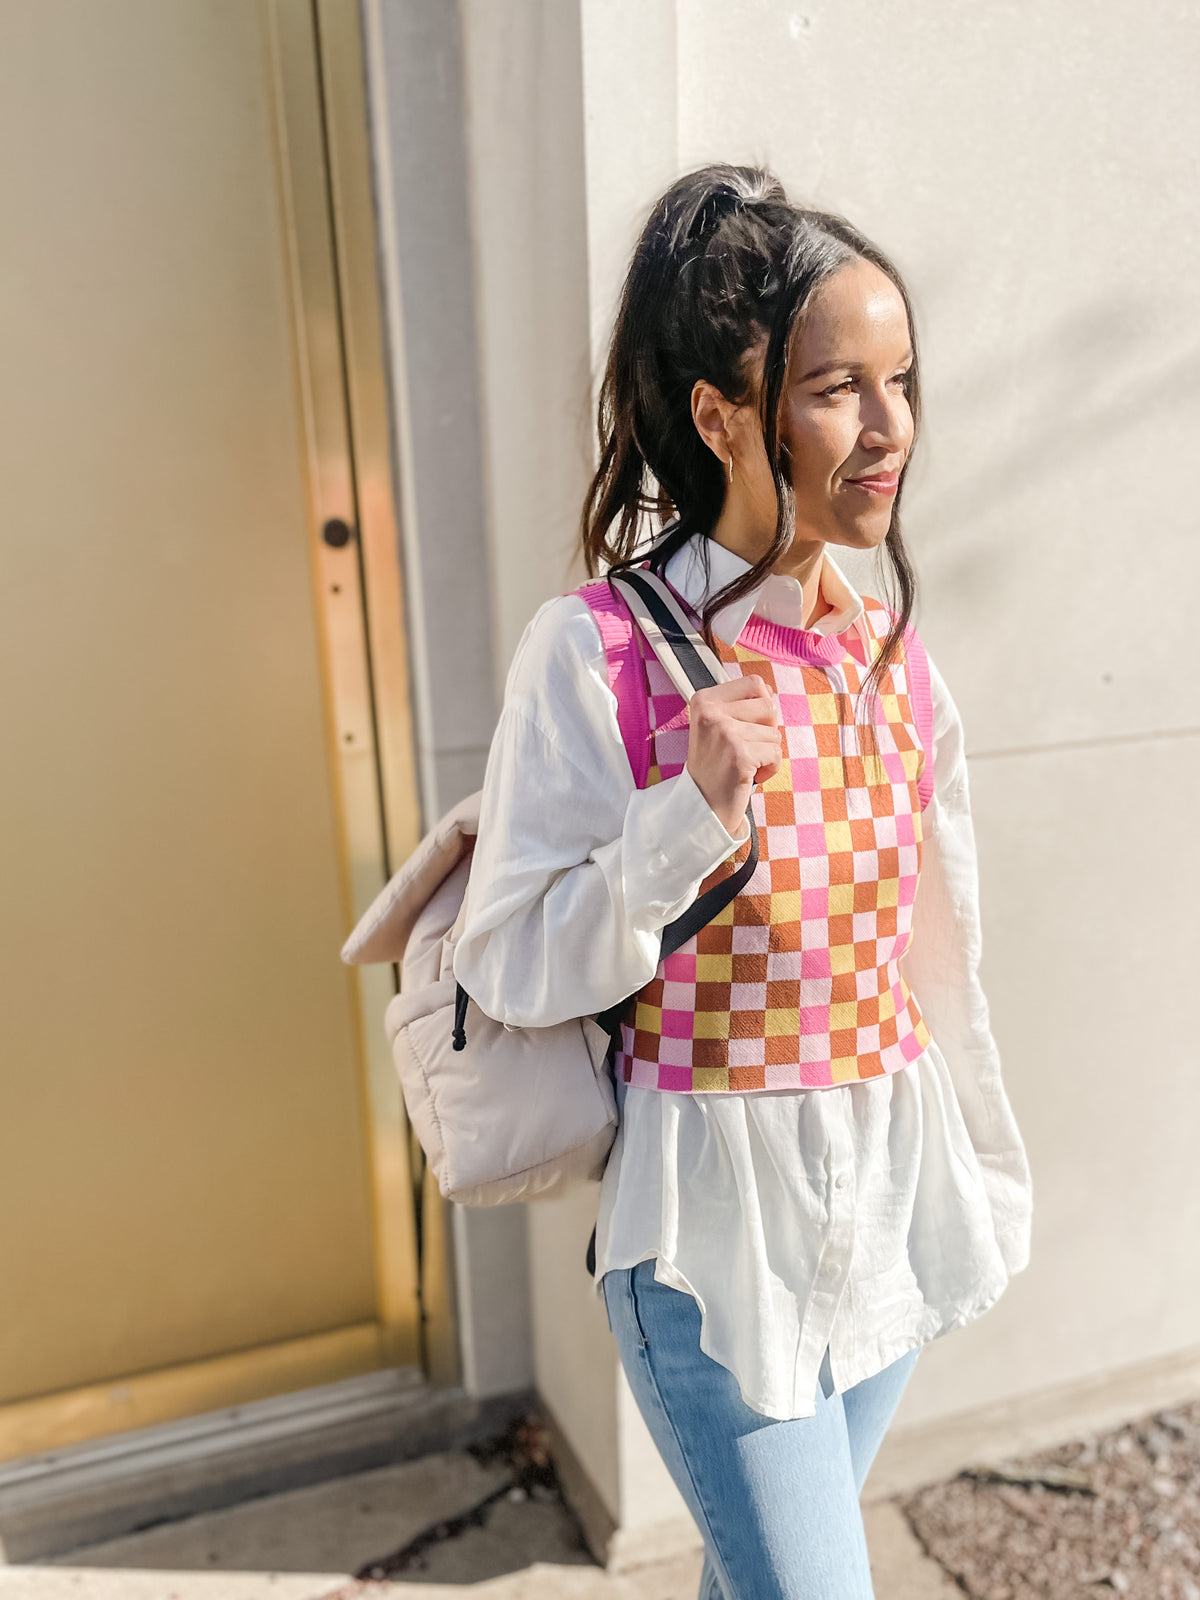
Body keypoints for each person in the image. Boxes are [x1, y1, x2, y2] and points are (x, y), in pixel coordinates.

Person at [453, 165, 1033, 1599]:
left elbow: (933, 956)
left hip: (886, 1208)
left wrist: (973, 1166)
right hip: (718, 1246)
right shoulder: (596, 653)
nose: (891, 427)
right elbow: (510, 962)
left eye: (902, 380)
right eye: (839, 386)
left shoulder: (889, 648)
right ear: (719, 416)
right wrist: (681, 817)